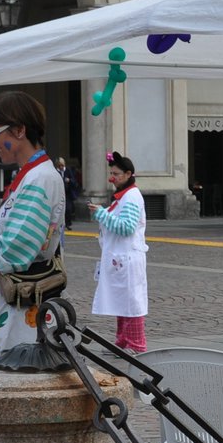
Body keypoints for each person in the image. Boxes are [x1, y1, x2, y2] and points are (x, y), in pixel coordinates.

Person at [0, 90, 67, 354]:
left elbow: (13, 250)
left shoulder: (38, 179)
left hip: (23, 310)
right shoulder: (31, 176)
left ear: (19, 131)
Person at [89, 151, 149, 354]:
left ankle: (137, 344)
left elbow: (126, 227)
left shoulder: (131, 197)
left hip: (128, 259)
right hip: (122, 259)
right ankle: (123, 341)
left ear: (128, 174)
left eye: (116, 174)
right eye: (111, 173)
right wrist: (104, 212)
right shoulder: (123, 196)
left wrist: (101, 214)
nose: (112, 178)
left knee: (132, 302)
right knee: (122, 301)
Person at [58, 157, 82, 229]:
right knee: (60, 209)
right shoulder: (57, 172)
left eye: (62, 165)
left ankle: (67, 223)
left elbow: (73, 180)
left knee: (68, 209)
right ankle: (62, 223)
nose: (61, 167)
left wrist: (69, 180)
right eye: (59, 166)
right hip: (59, 193)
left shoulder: (67, 170)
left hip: (67, 193)